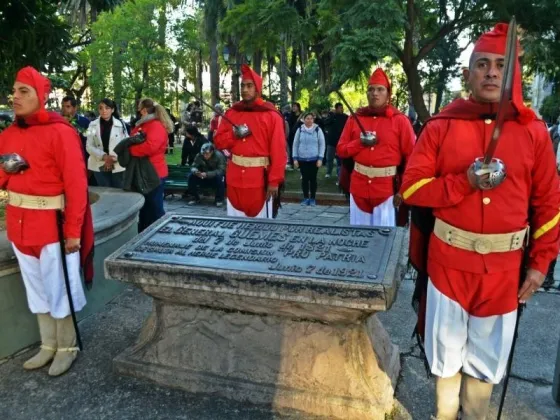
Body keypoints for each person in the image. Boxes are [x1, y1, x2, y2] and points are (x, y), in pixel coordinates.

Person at [401, 23, 560, 420]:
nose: (491, 72)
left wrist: (540, 265)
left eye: (501, 66)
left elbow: (548, 205)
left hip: (504, 272)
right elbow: (412, 190)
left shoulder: (535, 133)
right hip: (448, 266)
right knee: (446, 361)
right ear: (468, 74)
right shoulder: (441, 126)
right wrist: (463, 182)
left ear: (512, 75)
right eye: (483, 64)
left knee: (486, 365)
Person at [0, 66, 94, 376]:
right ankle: (48, 344)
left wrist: (73, 232)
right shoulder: (8, 134)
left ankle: (67, 346)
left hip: (51, 226)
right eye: (14, 91)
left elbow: (77, 186)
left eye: (23, 91)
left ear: (40, 96)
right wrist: (8, 171)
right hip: (19, 223)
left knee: (58, 289)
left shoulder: (61, 132)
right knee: (36, 290)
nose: (15, 96)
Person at [336, 68, 415, 227]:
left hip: (386, 190)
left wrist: (404, 189)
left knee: (384, 241)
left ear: (388, 93)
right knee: (359, 238)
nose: (375, 93)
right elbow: (341, 149)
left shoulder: (400, 121)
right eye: (371, 89)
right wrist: (359, 143)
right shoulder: (355, 118)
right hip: (358, 187)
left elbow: (412, 158)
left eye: (380, 89)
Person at [214, 64, 286, 218]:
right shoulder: (232, 113)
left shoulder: (271, 115)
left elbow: (279, 151)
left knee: (260, 235)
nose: (245, 90)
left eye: (249, 86)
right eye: (242, 86)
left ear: (257, 88)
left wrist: (274, 181)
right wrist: (233, 134)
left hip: (259, 182)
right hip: (234, 181)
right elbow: (218, 142)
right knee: (235, 231)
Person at [129, 98, 173, 232]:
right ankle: (145, 232)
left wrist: (131, 150)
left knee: (155, 207)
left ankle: (159, 232)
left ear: (144, 110)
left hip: (154, 172)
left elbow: (151, 147)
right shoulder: (146, 124)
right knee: (146, 207)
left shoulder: (155, 125)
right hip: (145, 171)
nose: (138, 112)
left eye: (139, 110)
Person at [86, 98, 129, 188]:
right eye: (101, 108)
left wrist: (113, 159)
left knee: (119, 192)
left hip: (117, 163)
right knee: (105, 193)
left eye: (107, 108)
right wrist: (104, 157)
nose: (104, 111)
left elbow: (126, 144)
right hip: (99, 163)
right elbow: (89, 146)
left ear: (112, 110)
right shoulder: (92, 125)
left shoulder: (121, 124)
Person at [292, 112, 326, 206]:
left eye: (311, 118)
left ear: (313, 120)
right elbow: (295, 144)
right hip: (302, 159)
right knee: (304, 179)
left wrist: (320, 158)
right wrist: (295, 158)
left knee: (313, 179)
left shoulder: (318, 130)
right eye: (307, 118)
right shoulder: (300, 130)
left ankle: (313, 199)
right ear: (303, 119)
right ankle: (306, 197)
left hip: (314, 159)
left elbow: (322, 144)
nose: (309, 120)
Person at [186, 143, 226, 207]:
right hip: (202, 177)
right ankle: (194, 197)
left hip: (214, 178)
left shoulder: (219, 156)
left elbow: (221, 170)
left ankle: (219, 199)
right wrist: (196, 172)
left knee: (220, 178)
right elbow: (193, 166)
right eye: (203, 154)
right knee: (191, 176)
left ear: (212, 152)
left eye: (207, 154)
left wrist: (207, 174)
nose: (205, 155)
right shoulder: (199, 155)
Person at [324, 102, 348, 179]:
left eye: (342, 108)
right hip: (331, 141)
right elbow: (325, 122)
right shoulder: (332, 116)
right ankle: (328, 172)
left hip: (341, 142)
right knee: (329, 158)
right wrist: (332, 115)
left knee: (340, 159)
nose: (342, 109)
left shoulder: (345, 117)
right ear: (336, 109)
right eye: (340, 108)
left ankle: (339, 173)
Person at [287, 102, 303, 167]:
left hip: (299, 134)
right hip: (291, 134)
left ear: (298, 107)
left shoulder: (302, 115)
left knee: (299, 148)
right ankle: (292, 163)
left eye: (295, 106)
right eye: (293, 106)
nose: (293, 108)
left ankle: (300, 163)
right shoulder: (290, 115)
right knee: (291, 149)